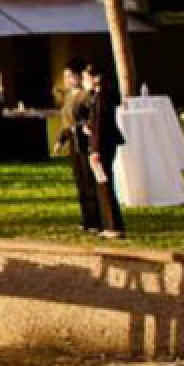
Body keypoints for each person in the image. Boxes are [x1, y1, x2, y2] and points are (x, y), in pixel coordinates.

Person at [80, 64, 128, 238]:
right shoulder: (99, 97)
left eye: (86, 78)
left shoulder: (101, 98)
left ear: (95, 78)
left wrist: (95, 150)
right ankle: (106, 223)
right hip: (104, 143)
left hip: (101, 145)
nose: (84, 82)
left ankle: (113, 225)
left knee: (104, 183)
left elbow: (100, 125)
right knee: (103, 183)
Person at [59, 62, 103, 234]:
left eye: (70, 76)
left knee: (89, 180)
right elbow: (66, 121)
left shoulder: (86, 97)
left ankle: (95, 219)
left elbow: (89, 119)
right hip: (74, 141)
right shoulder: (69, 96)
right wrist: (61, 139)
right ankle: (87, 218)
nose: (67, 80)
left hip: (85, 142)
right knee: (81, 183)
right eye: (66, 76)